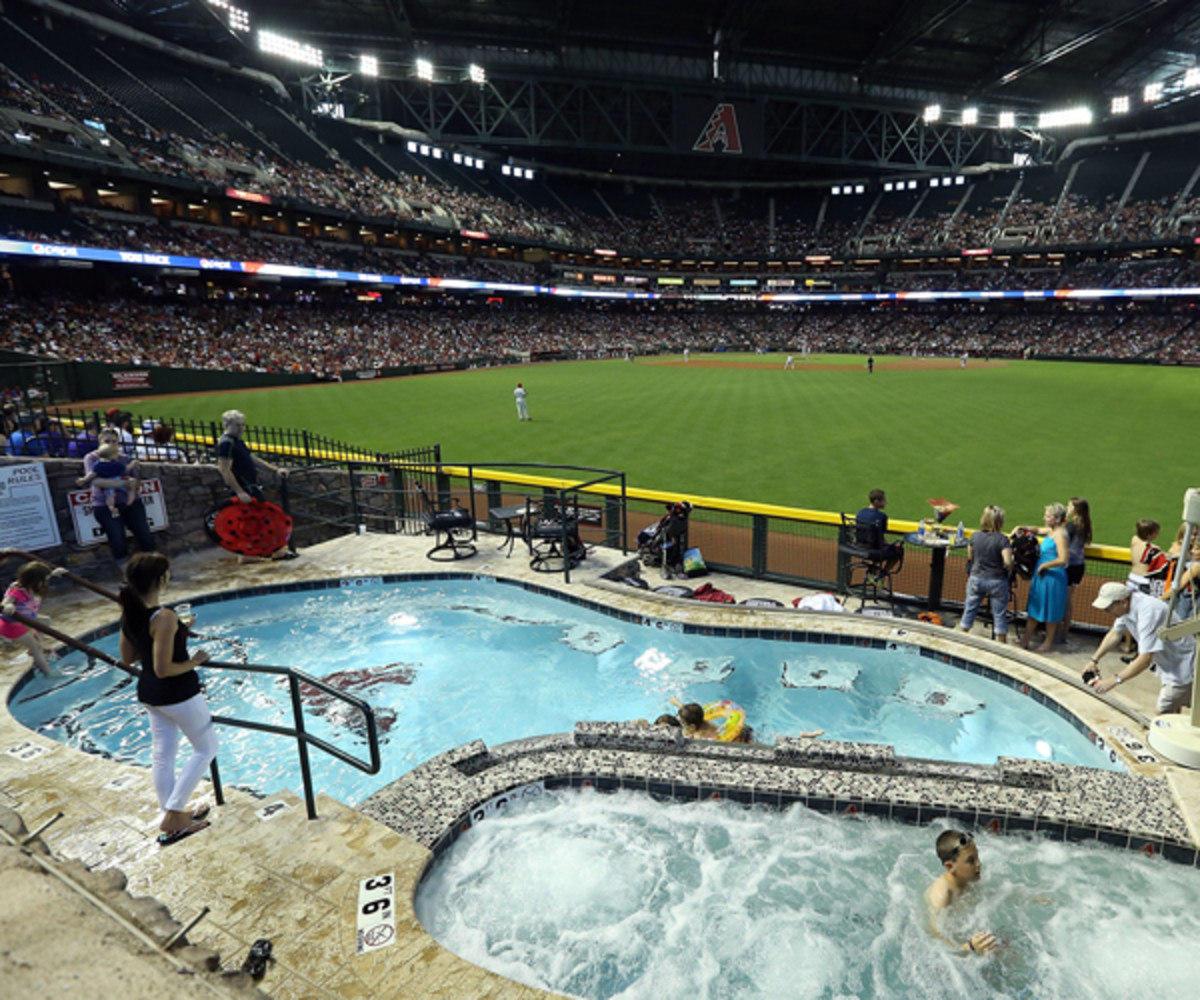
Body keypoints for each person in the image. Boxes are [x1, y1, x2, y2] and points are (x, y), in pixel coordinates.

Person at [118, 553, 216, 845]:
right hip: (178, 694)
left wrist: (174, 633)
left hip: (149, 694)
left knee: (163, 754)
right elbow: (164, 669)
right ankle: (174, 813)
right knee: (207, 748)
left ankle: (171, 814)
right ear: (161, 579)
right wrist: (195, 660)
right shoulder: (164, 616)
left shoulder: (131, 612)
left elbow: (128, 656)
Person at [1086, 582, 1195, 714]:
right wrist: (1094, 660)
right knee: (1174, 709)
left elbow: (1145, 659)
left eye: (1108, 607)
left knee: (1162, 713)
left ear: (1123, 602)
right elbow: (1115, 633)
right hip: (1170, 663)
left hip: (1185, 665)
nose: (1106, 611)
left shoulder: (1149, 612)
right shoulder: (1126, 608)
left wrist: (1113, 681)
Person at [216, 409, 295, 561]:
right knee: (264, 520)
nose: (241, 428)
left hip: (250, 487)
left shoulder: (235, 441)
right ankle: (275, 552)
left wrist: (275, 469)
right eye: (237, 425)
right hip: (245, 490)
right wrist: (239, 492)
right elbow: (224, 470)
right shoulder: (226, 443)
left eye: (242, 425)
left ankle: (248, 555)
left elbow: (251, 458)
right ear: (227, 425)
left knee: (252, 523)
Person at [77, 427, 156, 563]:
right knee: (117, 539)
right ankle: (127, 574)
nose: (111, 444)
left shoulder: (125, 458)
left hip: (130, 503)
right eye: (107, 441)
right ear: (100, 441)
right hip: (104, 505)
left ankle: (152, 567)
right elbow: (96, 481)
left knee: (145, 536)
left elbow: (136, 481)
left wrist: (127, 484)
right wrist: (123, 484)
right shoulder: (92, 458)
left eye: (114, 441)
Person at [924, 830, 998, 956]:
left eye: (977, 856)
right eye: (971, 860)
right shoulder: (942, 895)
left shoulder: (966, 879)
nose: (979, 864)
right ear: (949, 867)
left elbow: (998, 893)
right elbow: (936, 942)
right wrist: (970, 946)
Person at [959, 505, 1014, 642]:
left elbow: (970, 557)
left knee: (969, 610)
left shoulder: (975, 536)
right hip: (997, 581)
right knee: (999, 615)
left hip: (976, 578)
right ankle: (1002, 648)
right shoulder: (1002, 539)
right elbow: (1007, 562)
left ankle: (960, 640)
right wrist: (1011, 568)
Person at [1, 562, 64, 677]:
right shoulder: (18, 591)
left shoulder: (32, 586)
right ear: (35, 580)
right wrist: (8, 606)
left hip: (25, 619)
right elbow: (6, 602)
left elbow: (45, 576)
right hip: (10, 624)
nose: (46, 583)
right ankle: (48, 674)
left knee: (46, 621)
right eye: (44, 580)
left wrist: (54, 573)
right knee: (37, 647)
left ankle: (33, 650)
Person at [1021, 503, 1069, 653]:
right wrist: (1023, 528)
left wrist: (1045, 566)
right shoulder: (1051, 530)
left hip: (1053, 577)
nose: (1045, 518)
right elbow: (1037, 530)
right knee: (1034, 607)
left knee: (1051, 611)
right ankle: (1026, 639)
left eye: (1048, 516)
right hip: (1042, 576)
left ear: (1058, 518)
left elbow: (1063, 558)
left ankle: (1048, 643)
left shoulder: (1060, 535)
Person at [1057, 497, 1093, 645]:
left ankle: (1059, 633)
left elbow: (1060, 539)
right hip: (1079, 566)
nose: (1067, 508)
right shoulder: (1085, 524)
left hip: (1068, 566)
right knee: (1068, 601)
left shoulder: (1072, 526)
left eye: (1070, 506)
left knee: (1062, 600)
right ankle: (1064, 633)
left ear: (1076, 510)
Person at [79, 438, 140, 519]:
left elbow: (92, 474)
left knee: (110, 496)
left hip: (108, 483)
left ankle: (111, 506)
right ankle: (130, 500)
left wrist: (84, 479)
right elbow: (126, 469)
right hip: (119, 479)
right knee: (131, 486)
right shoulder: (116, 463)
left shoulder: (97, 465)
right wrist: (133, 463)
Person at [856, 488, 903, 574]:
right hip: (874, 550)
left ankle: (873, 571)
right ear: (876, 502)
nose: (886, 502)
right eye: (884, 500)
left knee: (878, 546)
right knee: (898, 550)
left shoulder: (860, 512)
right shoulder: (882, 516)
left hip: (859, 547)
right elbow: (881, 536)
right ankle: (881, 575)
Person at [1129, 518, 1169, 595]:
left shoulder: (1134, 540)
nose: (1158, 534)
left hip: (1132, 577)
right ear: (1149, 534)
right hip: (1143, 581)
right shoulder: (1153, 549)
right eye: (1156, 532)